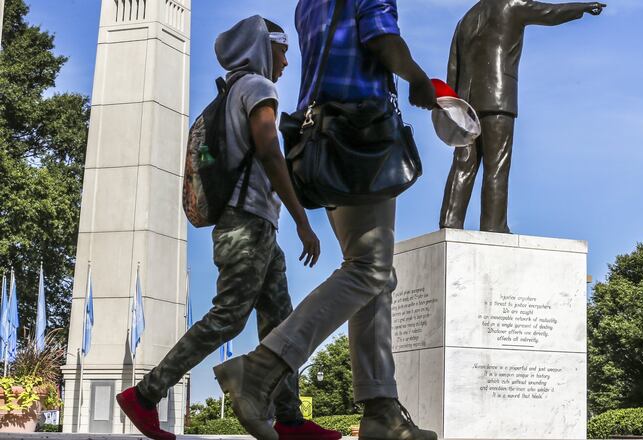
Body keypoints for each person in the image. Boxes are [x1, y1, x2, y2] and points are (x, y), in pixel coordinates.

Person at [210, 1, 438, 440]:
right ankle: (260, 370)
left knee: (373, 273)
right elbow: (381, 38)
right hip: (360, 138)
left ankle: (380, 410)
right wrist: (418, 79)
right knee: (369, 269)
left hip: (321, 142)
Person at [116, 16, 340, 440]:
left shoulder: (233, 90)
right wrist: (302, 220)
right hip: (247, 226)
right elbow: (270, 151)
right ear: (262, 48)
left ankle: (289, 420)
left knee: (279, 322)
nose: (287, 60)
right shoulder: (258, 87)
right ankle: (145, 395)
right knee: (228, 318)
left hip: (255, 228)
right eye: (282, 49)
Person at [439, 0, 606, 233]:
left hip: (465, 102)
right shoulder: (511, 4)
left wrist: (452, 107)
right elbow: (550, 12)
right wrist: (583, 7)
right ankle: (493, 226)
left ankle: (450, 222)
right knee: (496, 165)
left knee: (463, 164)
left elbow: (453, 68)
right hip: (497, 97)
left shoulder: (465, 20)